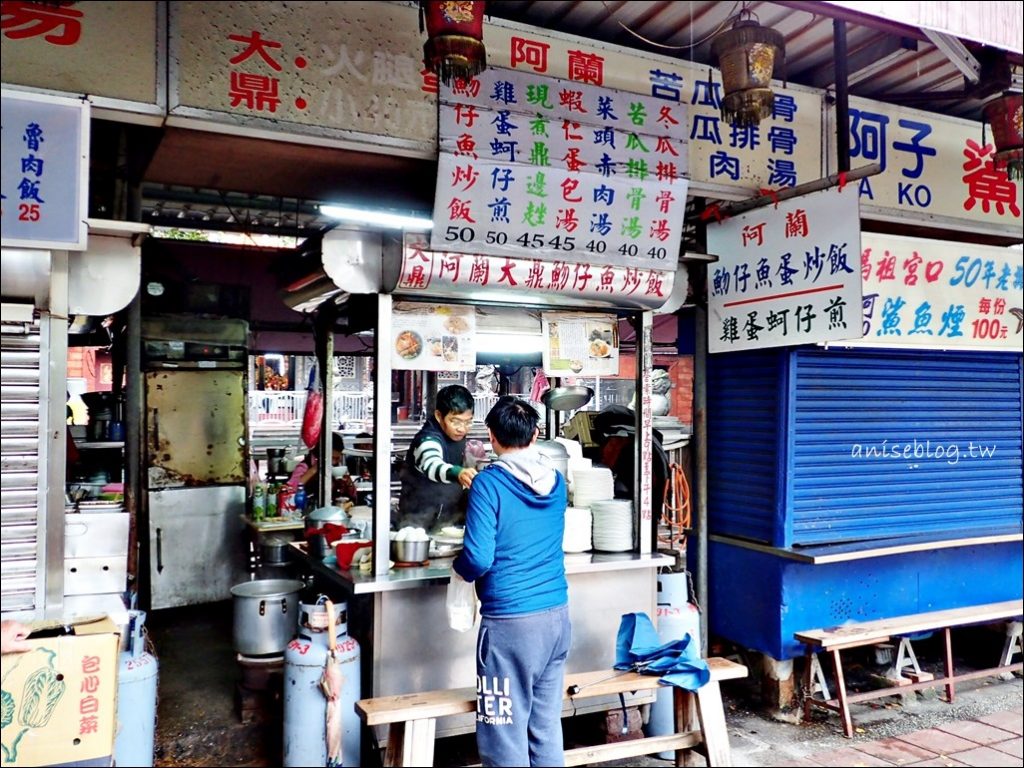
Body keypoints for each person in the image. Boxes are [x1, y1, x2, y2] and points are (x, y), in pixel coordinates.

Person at [452, 397, 570, 768]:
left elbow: (478, 558)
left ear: (491, 436)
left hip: (510, 625)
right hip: (557, 619)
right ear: (535, 435)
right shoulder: (557, 482)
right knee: (545, 730)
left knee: (503, 734)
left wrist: (458, 570)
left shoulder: (489, 484)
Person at [396, 384, 478, 532]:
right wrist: (458, 472)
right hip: (417, 524)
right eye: (455, 421)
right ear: (439, 416)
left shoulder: (457, 435)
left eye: (468, 422)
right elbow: (432, 464)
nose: (462, 428)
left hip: (448, 519)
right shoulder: (428, 439)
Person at [287, 432, 357, 502]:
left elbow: (353, 496)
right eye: (333, 458)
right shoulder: (304, 466)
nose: (335, 462)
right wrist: (313, 470)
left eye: (338, 458)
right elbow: (289, 491)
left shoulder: (338, 467)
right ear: (321, 453)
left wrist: (349, 484)